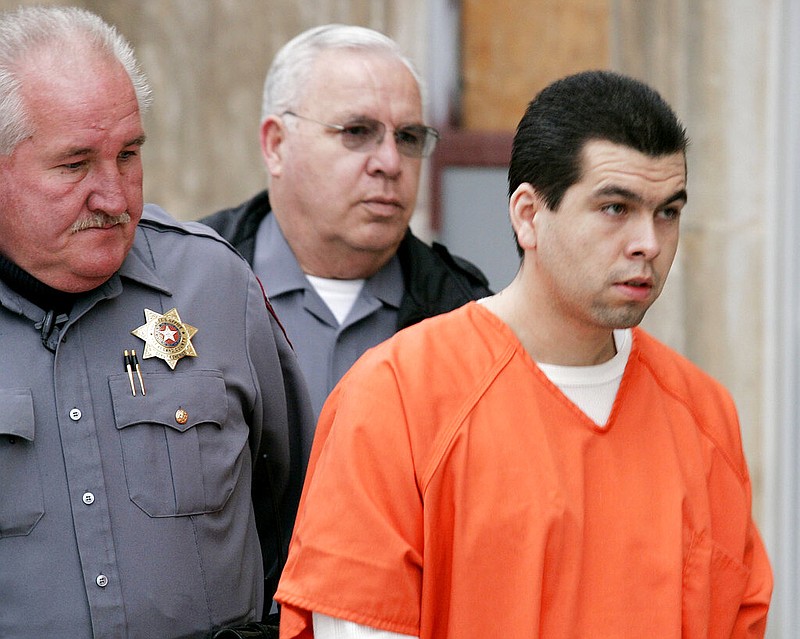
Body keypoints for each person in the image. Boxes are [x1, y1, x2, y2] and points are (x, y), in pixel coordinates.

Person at [274, 70, 774, 638]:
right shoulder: (397, 397)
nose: (650, 243)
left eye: (668, 211)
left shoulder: (705, 415)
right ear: (528, 216)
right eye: (616, 208)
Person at [0, 6, 311, 638]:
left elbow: (305, 516)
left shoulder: (215, 287)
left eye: (129, 154)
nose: (114, 197)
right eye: (75, 164)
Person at [200, 24, 491, 442]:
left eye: (408, 137)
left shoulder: (465, 311)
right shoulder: (186, 285)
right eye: (357, 132)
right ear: (276, 145)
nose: (390, 162)